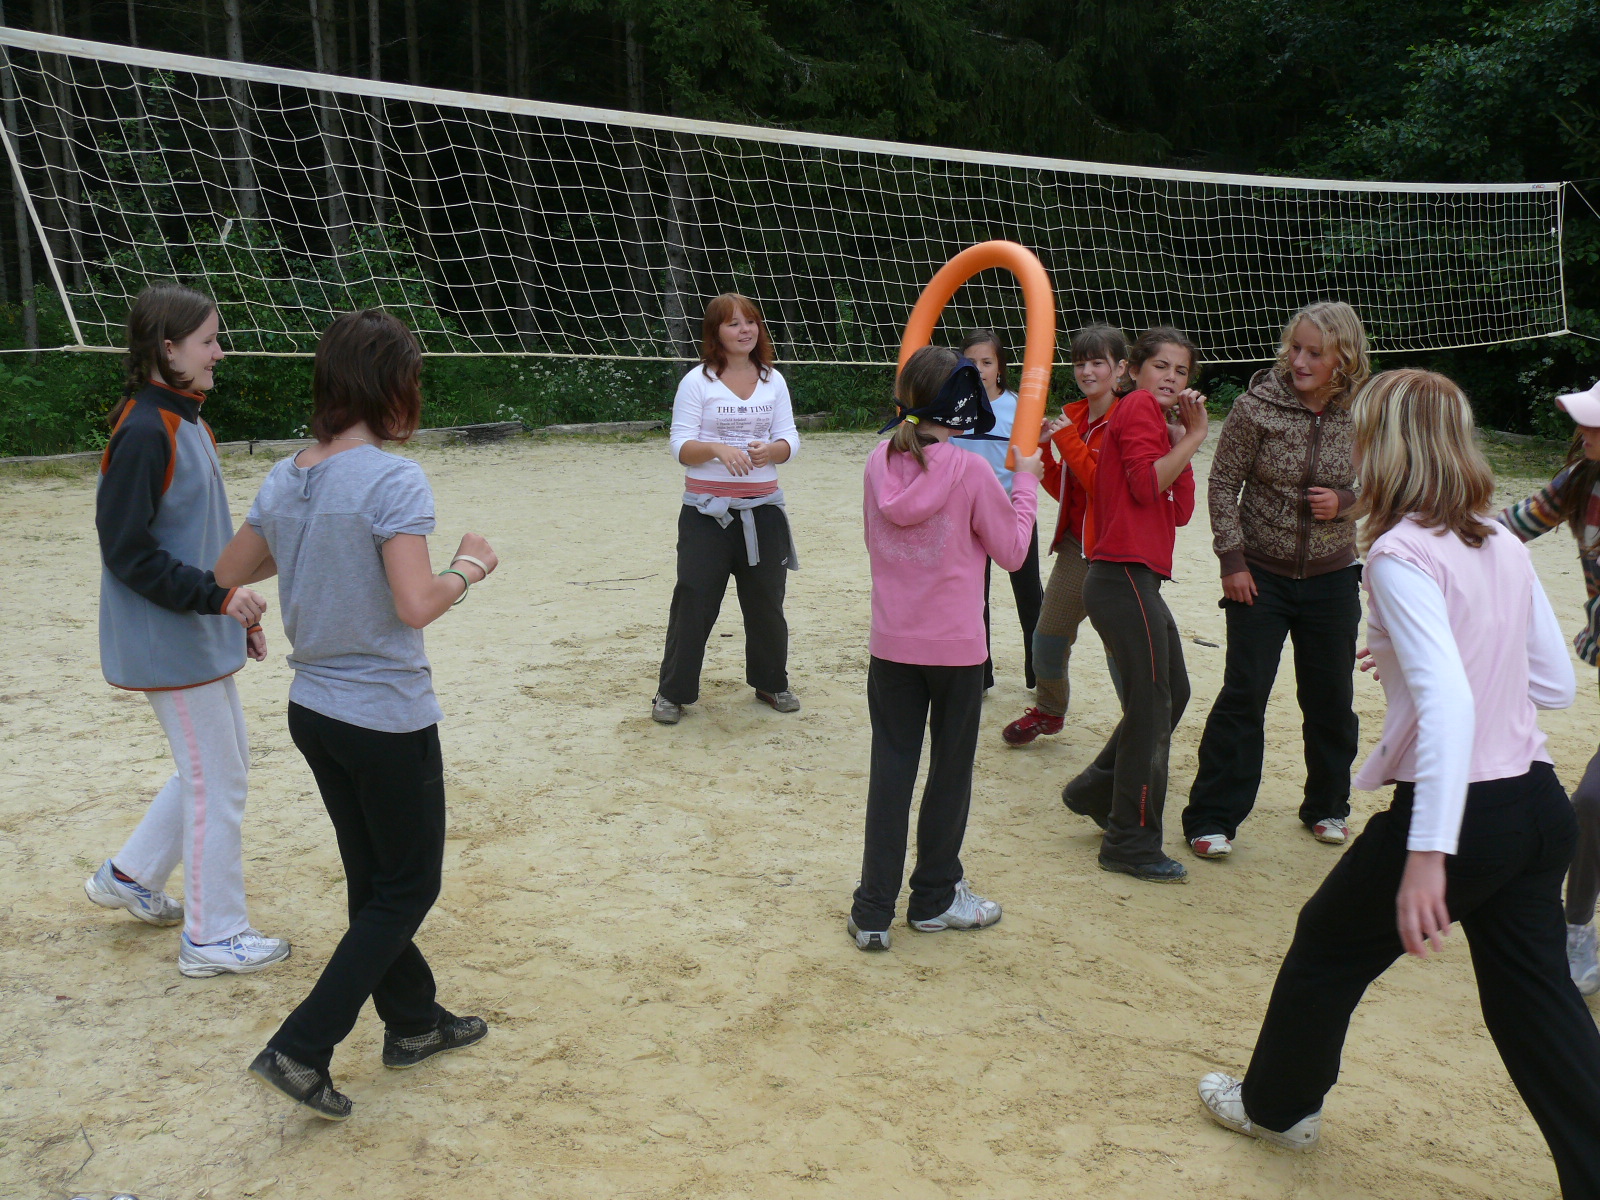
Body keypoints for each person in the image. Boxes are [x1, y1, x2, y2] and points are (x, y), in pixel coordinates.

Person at [1198, 370, 1600, 1198]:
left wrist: (1427, 855)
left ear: (1385, 448)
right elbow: (1551, 682)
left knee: (1326, 943)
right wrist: (1422, 662)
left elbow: (1453, 701)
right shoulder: (1497, 538)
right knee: (1537, 1007)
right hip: (1535, 807)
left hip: (1467, 818)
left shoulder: (1397, 551)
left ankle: (1276, 1109)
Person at [213, 310, 495, 1120]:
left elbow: (228, 572)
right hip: (383, 716)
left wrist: (300, 549)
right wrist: (470, 567)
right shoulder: (391, 479)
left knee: (375, 880)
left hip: (314, 711)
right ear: (389, 384)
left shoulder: (288, 476)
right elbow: (416, 603)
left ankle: (412, 1022)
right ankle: (303, 1045)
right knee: (409, 886)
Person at [83, 282, 290, 979]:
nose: (219, 352)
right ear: (166, 349)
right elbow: (128, 552)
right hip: (163, 636)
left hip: (193, 628)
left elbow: (195, 540)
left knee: (221, 767)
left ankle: (131, 875)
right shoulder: (146, 429)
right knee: (217, 782)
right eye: (208, 341)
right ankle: (213, 936)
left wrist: (229, 611)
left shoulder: (187, 419)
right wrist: (216, 599)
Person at [848, 346, 1043, 950]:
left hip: (893, 643)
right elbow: (1013, 552)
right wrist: (1027, 482)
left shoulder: (878, 461)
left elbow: (875, 542)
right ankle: (934, 899)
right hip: (956, 651)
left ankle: (872, 911)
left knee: (891, 771)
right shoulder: (971, 471)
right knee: (949, 774)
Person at [1181, 301, 1370, 860]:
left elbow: (1386, 481)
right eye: (1296, 348)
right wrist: (1232, 561)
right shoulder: (1255, 406)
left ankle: (1328, 805)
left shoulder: (1366, 412)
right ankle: (1212, 818)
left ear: (1344, 358)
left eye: (1315, 352)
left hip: (1334, 578)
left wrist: (1347, 501)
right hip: (1259, 576)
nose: (1300, 361)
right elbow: (1222, 485)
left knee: (1331, 698)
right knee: (1244, 696)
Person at [1060, 327, 1209, 883]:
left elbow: (1179, 509)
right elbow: (1148, 486)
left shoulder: (1150, 418)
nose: (1170, 378)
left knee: (1173, 693)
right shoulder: (1139, 405)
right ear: (1135, 370)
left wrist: (1181, 441)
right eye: (1160, 366)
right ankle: (1130, 841)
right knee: (1150, 706)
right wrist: (1195, 437)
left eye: (1181, 371)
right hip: (1121, 575)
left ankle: (1095, 789)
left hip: (1133, 578)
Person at [1497, 375, 1600, 996]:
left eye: (1596, 422)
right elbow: (1508, 526)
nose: (1583, 430)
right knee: (1593, 803)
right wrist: (1426, 544)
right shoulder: (1581, 479)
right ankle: (1578, 928)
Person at [654, 293, 801, 724]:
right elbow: (680, 446)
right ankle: (672, 693)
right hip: (706, 514)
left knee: (766, 602)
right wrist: (717, 448)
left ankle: (771, 683)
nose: (745, 330)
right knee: (694, 599)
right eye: (733, 323)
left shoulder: (773, 380)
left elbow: (790, 439)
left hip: (764, 512)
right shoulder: (697, 382)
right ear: (715, 332)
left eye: (750, 321)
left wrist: (772, 450)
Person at [1001, 323, 1128, 746]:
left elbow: (1102, 490)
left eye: (1097, 363)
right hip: (1076, 546)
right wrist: (1043, 450)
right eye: (1079, 363)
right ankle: (1049, 711)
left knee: (1121, 650)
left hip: (1118, 553)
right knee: (1047, 639)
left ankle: (1140, 724)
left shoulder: (1127, 418)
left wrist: (1067, 439)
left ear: (1121, 368)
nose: (1087, 371)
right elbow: (1068, 489)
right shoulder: (1074, 415)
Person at [953, 329, 1042, 691]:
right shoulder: (954, 408)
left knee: (1030, 596)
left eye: (987, 362)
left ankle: (1039, 673)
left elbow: (1029, 461)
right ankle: (981, 675)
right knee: (975, 600)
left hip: (1012, 511)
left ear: (1000, 367)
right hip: (968, 518)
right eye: (971, 362)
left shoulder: (1019, 407)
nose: (979, 369)